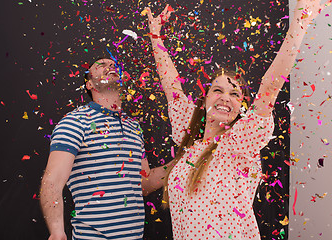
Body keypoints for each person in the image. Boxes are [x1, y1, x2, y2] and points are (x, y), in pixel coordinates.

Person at [145, 1, 331, 239]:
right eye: (218, 91)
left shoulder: (239, 143)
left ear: (239, 108)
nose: (226, 98)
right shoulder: (188, 136)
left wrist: (300, 22)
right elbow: (171, 86)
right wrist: (155, 35)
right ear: (204, 101)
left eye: (235, 94)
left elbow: (270, 87)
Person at [40, 57, 171, 240]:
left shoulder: (133, 127)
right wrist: (57, 231)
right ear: (89, 85)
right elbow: (52, 181)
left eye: (113, 64)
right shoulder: (75, 122)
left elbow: (143, 184)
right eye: (101, 65)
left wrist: (184, 161)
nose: (110, 66)